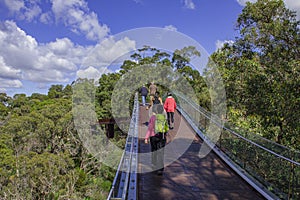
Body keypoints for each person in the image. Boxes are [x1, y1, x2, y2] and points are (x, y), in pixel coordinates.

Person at [145, 104, 168, 175]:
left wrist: (146, 138)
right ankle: (160, 169)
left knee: (154, 150)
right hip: (162, 137)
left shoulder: (153, 117)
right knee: (161, 153)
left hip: (153, 137)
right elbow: (166, 128)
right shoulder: (164, 118)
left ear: (157, 110)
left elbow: (150, 128)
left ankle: (154, 164)